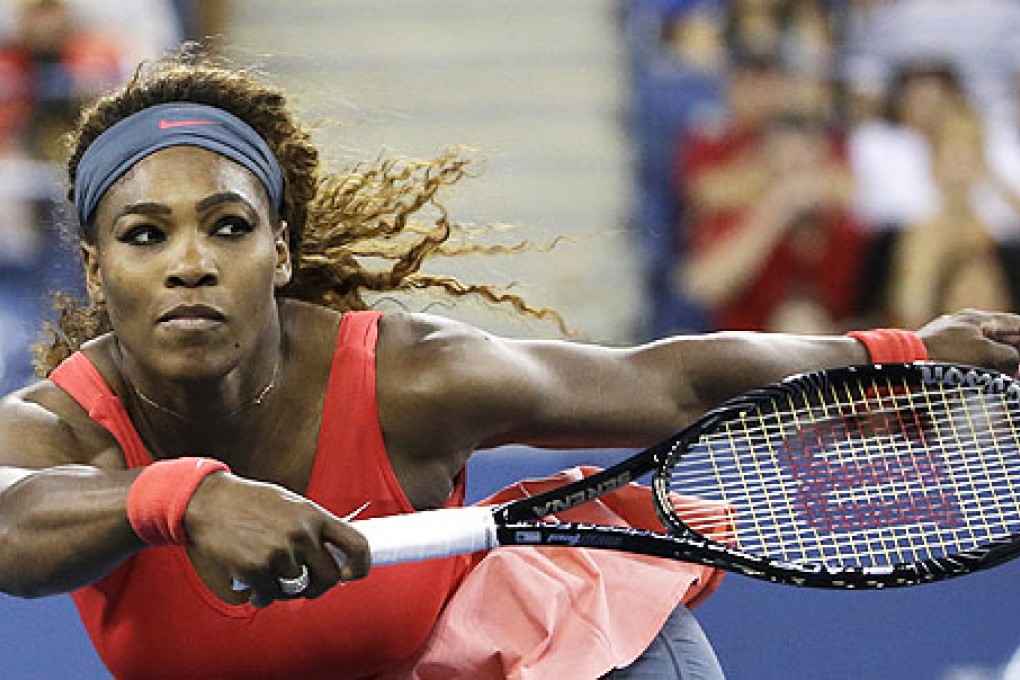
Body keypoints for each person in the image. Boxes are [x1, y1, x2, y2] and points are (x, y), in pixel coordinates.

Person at [1, 48, 1019, 680]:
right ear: (95, 266)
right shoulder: (58, 428)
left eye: (228, 226)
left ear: (280, 250)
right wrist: (183, 499)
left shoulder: (411, 378)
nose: (187, 262)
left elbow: (670, 381)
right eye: (144, 235)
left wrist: (898, 350)